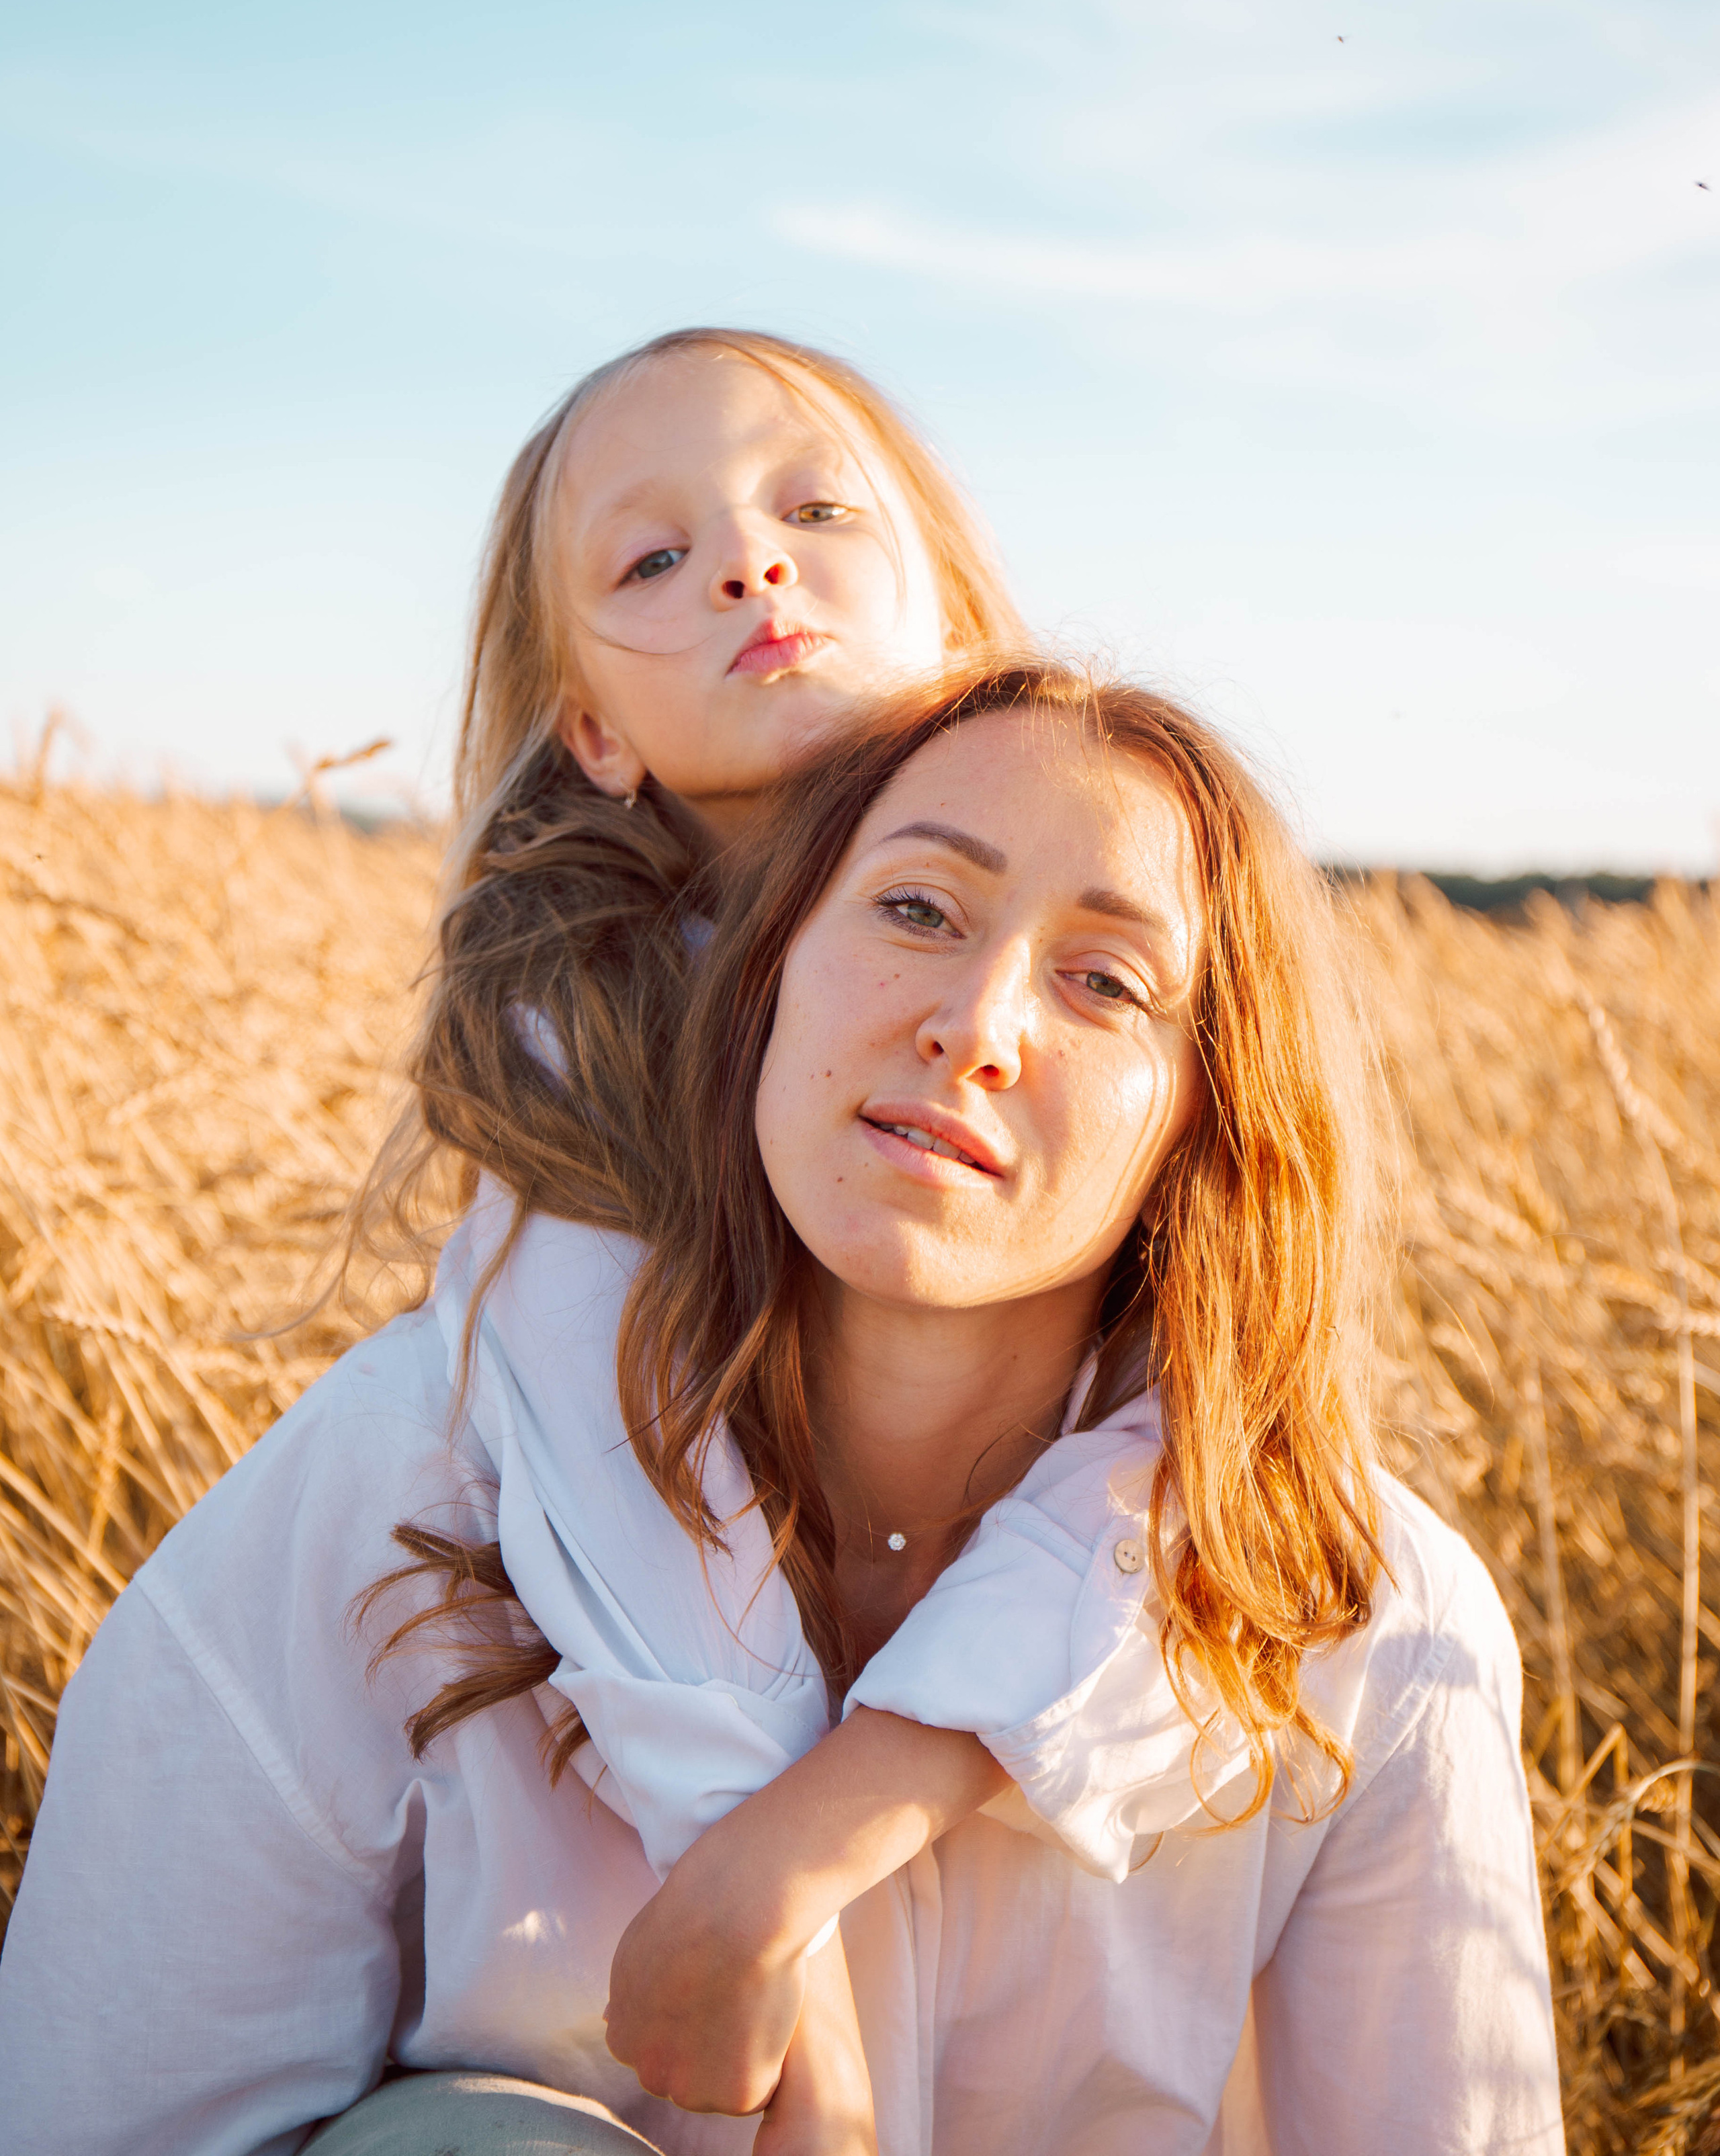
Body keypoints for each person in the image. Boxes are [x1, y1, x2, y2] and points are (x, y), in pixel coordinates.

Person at [0, 660, 1565, 2155]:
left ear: (1204, 1117)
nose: (976, 1023)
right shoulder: (403, 1484)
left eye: (1103, 981)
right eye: (913, 909)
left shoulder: (1367, 1620)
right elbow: (120, 2105)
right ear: (762, 980)